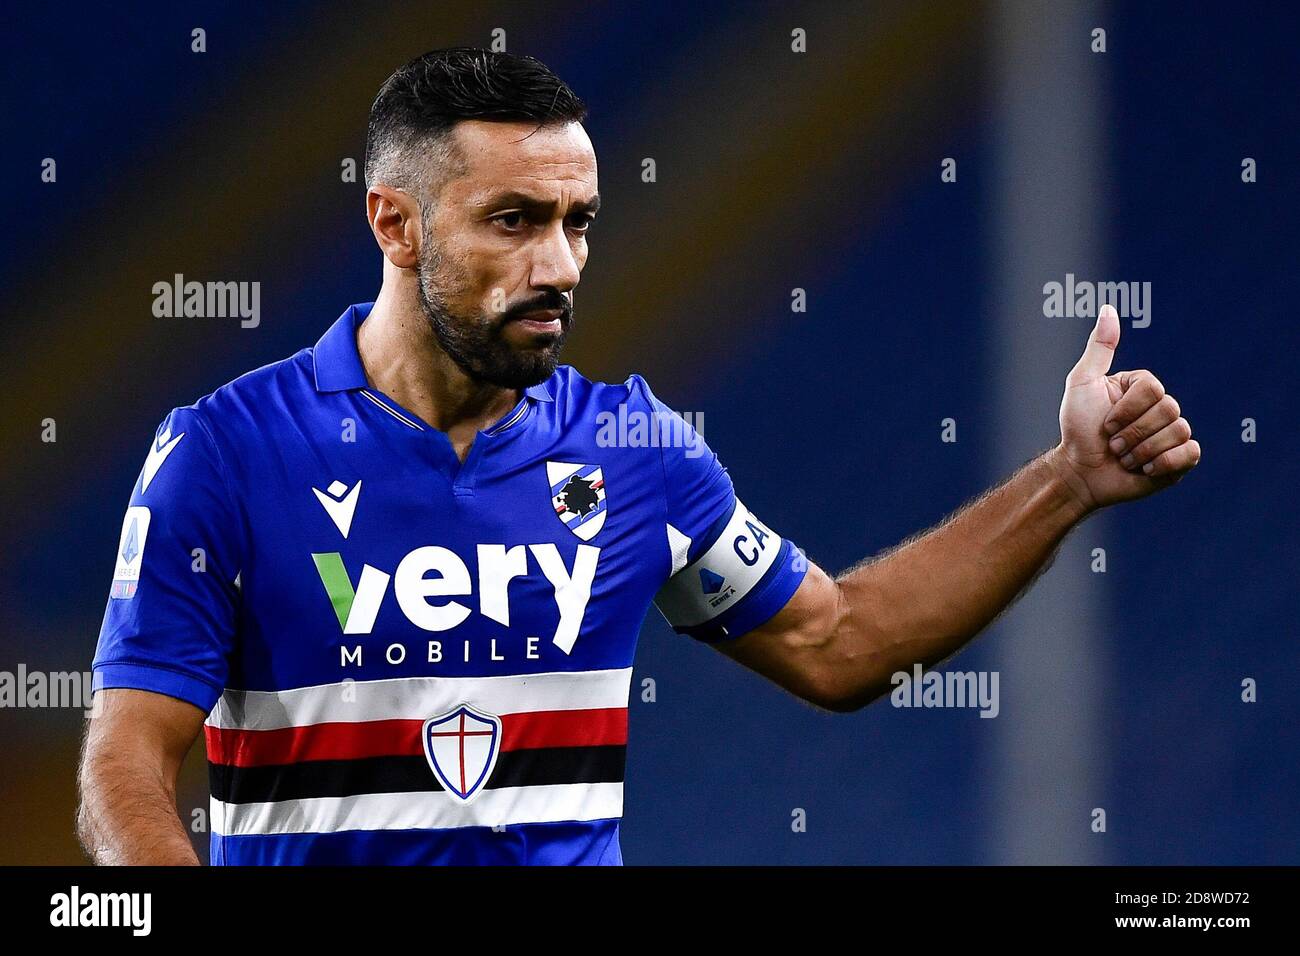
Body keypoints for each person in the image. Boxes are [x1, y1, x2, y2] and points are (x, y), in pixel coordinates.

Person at [77, 48, 1200, 865]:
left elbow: (841, 641)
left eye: (580, 221)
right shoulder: (225, 451)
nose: (560, 264)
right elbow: (124, 766)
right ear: (395, 223)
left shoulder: (631, 447)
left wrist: (1067, 481)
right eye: (515, 220)